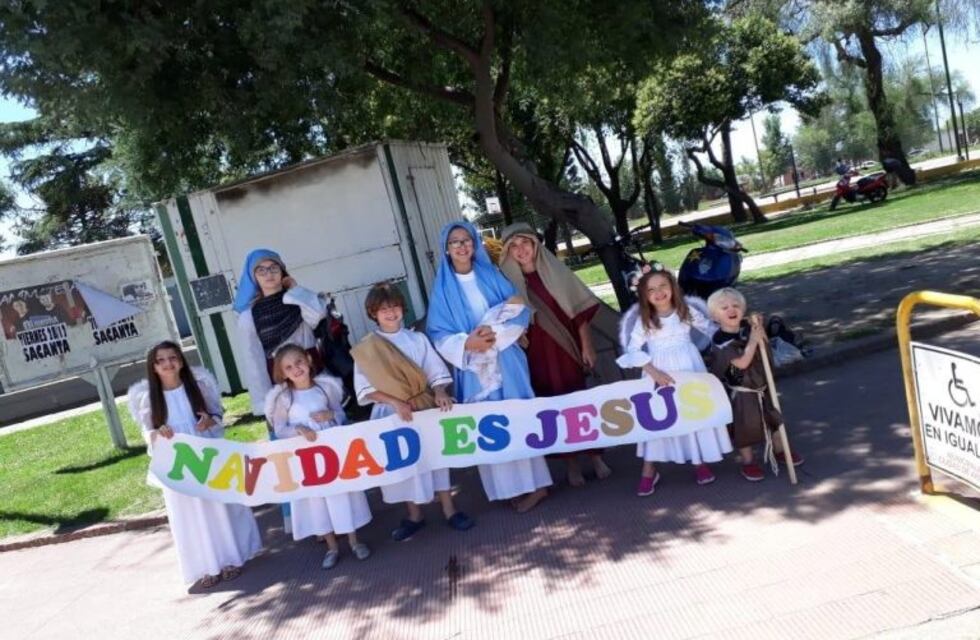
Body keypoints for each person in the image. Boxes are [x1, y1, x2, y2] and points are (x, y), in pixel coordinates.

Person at [426, 221, 552, 513]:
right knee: (488, 425)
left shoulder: (491, 275)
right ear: (446, 249)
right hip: (472, 368)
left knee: (516, 416)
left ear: (474, 244)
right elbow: (438, 332)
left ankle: (538, 485)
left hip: (506, 358)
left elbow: (519, 312)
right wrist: (468, 343)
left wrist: (494, 338)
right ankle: (507, 489)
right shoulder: (442, 290)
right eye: (455, 242)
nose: (462, 246)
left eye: (466, 240)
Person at [127, 341, 262, 589]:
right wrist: (159, 433)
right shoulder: (150, 400)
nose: (168, 363)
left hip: (206, 454)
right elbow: (148, 433)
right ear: (154, 367)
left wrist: (209, 421)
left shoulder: (198, 386)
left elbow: (217, 415)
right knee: (191, 512)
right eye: (161, 360)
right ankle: (205, 566)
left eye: (173, 357)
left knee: (218, 506)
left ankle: (231, 558)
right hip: (179, 463)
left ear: (180, 359)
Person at [352, 282, 475, 541]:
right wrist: (395, 402)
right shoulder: (367, 348)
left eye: (395, 306)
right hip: (391, 412)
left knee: (436, 459)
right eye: (383, 309)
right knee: (405, 463)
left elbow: (436, 372)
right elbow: (364, 389)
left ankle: (450, 509)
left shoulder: (417, 339)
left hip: (424, 407)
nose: (390, 313)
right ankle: (414, 515)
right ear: (373, 313)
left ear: (402, 309)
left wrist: (440, 391)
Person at [498, 223, 611, 487]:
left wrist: (587, 345)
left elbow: (580, 313)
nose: (521, 250)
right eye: (513, 246)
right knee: (551, 406)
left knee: (578, 402)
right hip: (535, 354)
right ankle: (571, 463)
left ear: (535, 244)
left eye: (525, 242)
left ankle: (595, 457)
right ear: (507, 252)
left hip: (567, 348)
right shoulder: (505, 283)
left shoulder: (557, 271)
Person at [617, 266, 733, 496]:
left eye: (663, 286)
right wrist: (653, 371)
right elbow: (632, 350)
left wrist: (733, 330)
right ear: (644, 295)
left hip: (689, 367)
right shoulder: (645, 320)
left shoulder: (685, 310)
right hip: (659, 371)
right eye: (651, 289)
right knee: (659, 418)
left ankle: (698, 461)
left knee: (692, 411)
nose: (658, 292)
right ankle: (649, 470)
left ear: (672, 287)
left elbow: (711, 330)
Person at [264, 343, 372, 568]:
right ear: (282, 373)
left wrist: (330, 414)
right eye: (289, 367)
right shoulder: (284, 398)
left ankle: (354, 540)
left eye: (299, 362)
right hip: (307, 458)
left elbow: (341, 414)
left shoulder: (325, 388)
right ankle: (331, 546)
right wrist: (299, 430)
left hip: (331, 452)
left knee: (341, 494)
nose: (296, 369)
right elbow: (280, 428)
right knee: (318, 500)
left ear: (309, 360)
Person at [706, 288, 805, 481]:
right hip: (741, 390)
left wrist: (759, 330)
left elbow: (764, 348)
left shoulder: (747, 328)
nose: (731, 310)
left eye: (736, 306)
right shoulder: (720, 341)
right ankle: (748, 461)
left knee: (773, 418)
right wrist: (752, 340)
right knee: (745, 426)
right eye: (724, 307)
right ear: (714, 316)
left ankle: (780, 449)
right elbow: (741, 364)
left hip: (761, 385)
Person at [233, 249, 327, 417]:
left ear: (282, 271)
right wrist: (264, 402)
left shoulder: (296, 299)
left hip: (312, 370)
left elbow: (318, 314)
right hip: (281, 378)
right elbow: (253, 360)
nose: (268, 274)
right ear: (253, 277)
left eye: (274, 268)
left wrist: (294, 289)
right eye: (261, 270)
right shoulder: (249, 316)